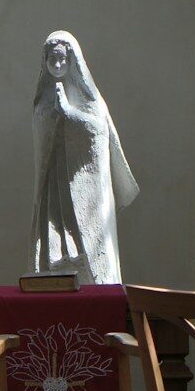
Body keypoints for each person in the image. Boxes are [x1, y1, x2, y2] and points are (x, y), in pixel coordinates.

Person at [30, 31, 139, 284]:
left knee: (86, 239)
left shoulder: (90, 99)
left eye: (62, 60)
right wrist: (53, 116)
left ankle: (89, 268)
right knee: (53, 233)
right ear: (44, 61)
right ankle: (53, 265)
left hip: (84, 184)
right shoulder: (42, 100)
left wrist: (69, 113)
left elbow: (99, 131)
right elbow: (42, 137)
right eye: (52, 60)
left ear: (72, 61)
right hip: (54, 181)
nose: (57, 65)